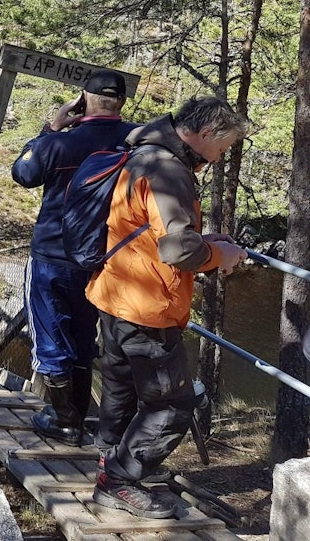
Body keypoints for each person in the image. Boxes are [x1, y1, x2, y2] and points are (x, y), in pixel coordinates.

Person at [88, 96, 249, 519]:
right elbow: (178, 249)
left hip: (116, 292)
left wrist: (207, 242)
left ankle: (110, 458)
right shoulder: (169, 170)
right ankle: (119, 481)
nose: (219, 157)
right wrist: (219, 257)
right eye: (223, 147)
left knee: (120, 385)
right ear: (206, 134)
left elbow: (150, 229)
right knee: (174, 404)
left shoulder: (142, 153)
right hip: (148, 306)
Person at [11, 71, 137, 446]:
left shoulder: (61, 143)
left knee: (50, 335)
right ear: (122, 102)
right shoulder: (135, 141)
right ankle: (79, 416)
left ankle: (64, 420)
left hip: (51, 256)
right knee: (85, 337)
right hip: (102, 260)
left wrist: (51, 128)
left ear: (84, 99)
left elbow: (24, 173)